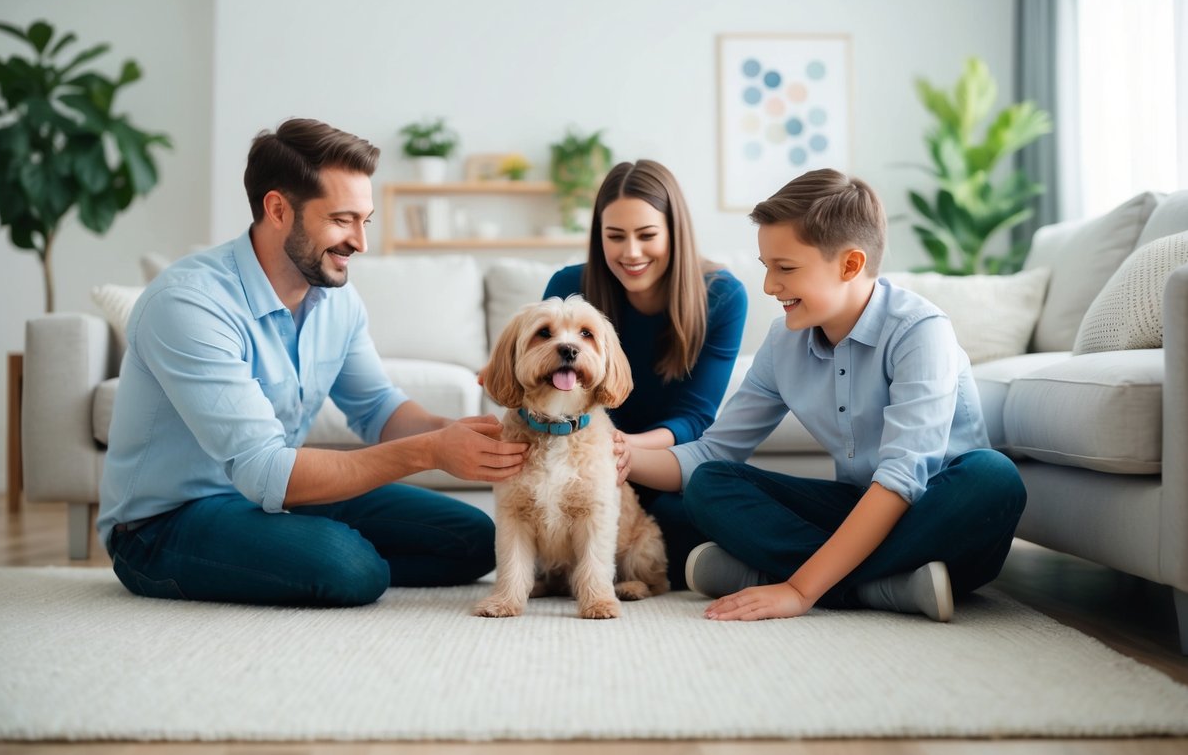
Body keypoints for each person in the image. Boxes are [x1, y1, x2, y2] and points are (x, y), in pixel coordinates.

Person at [98, 118, 527, 607]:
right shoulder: (190, 304)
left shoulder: (336, 300)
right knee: (348, 568)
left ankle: (297, 556)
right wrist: (430, 452)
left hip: (273, 500)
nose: (361, 244)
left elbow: (380, 410)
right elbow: (265, 471)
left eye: (365, 221)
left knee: (472, 538)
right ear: (278, 209)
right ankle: (323, 557)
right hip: (165, 522)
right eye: (343, 220)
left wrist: (468, 437)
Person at [623, 168, 1026, 622]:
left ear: (850, 265)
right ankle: (887, 588)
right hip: (857, 511)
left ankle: (795, 577)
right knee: (711, 483)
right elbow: (714, 451)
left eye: (786, 268)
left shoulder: (920, 331)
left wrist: (798, 589)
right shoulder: (784, 342)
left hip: (942, 519)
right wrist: (615, 453)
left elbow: (900, 479)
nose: (769, 286)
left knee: (994, 477)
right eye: (767, 267)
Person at [543, 160, 748, 588]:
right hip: (582, 463)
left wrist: (620, 449)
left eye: (647, 235)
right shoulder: (569, 286)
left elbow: (695, 416)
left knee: (688, 518)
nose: (630, 253)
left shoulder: (723, 295)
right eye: (614, 236)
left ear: (675, 231)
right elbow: (545, 386)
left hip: (659, 460)